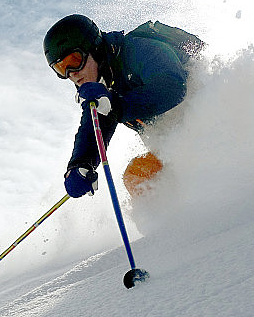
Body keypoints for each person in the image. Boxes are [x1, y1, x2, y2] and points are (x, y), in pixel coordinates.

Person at [43, 14, 204, 198]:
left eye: (74, 60)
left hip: (216, 123)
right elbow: (93, 129)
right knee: (138, 176)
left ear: (94, 48)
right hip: (183, 147)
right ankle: (184, 223)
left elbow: (173, 85)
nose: (71, 73)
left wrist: (117, 106)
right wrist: (80, 165)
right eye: (61, 68)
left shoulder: (137, 50)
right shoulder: (104, 90)